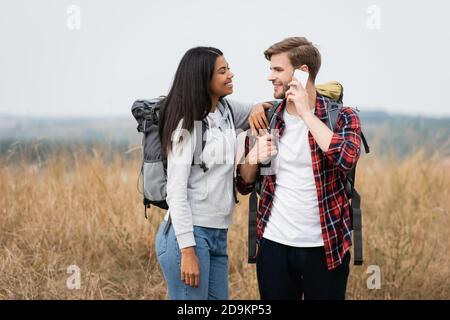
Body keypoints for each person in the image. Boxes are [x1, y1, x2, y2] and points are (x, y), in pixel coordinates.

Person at [238, 37, 362, 300]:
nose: (270, 77)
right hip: (273, 246)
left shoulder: (343, 116)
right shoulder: (267, 117)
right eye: (271, 69)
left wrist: (307, 114)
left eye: (277, 70)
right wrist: (251, 159)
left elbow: (347, 158)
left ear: (302, 72)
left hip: (326, 247)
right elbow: (244, 185)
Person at [155, 46, 268, 300]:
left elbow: (259, 108)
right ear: (203, 79)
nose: (231, 75)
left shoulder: (225, 111)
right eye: (223, 71)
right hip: (190, 236)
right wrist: (187, 251)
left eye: (228, 68)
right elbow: (176, 191)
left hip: (218, 234)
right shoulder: (187, 124)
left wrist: (262, 107)